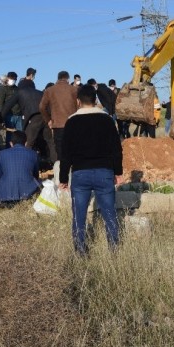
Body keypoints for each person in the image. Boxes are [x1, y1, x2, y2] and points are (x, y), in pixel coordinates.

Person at [59, 85, 123, 255]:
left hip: (80, 174)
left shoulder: (71, 121)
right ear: (95, 100)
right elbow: (116, 149)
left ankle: (80, 251)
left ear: (78, 101)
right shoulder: (107, 120)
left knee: (78, 215)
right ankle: (115, 250)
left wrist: (63, 178)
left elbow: (65, 153)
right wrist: (118, 172)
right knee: (110, 213)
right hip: (104, 172)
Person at [0, 130, 40, 206]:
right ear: (26, 143)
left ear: (11, 143)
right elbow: (36, 175)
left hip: (5, 195)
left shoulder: (1, 154)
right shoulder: (33, 154)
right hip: (28, 193)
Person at [39, 70, 78, 162]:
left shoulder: (50, 90)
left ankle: (62, 173)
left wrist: (48, 120)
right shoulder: (74, 89)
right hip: (72, 124)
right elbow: (79, 105)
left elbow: (41, 107)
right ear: (68, 79)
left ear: (58, 78)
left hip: (57, 124)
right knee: (73, 150)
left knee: (60, 152)